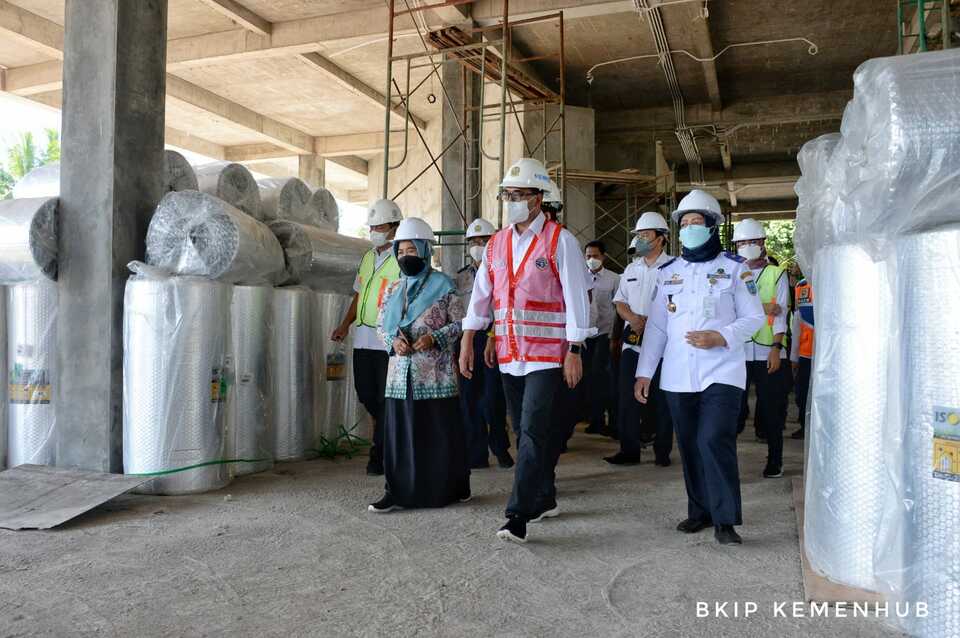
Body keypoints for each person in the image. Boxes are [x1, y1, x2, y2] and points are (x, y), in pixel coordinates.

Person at [460, 158, 594, 544]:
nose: (513, 201)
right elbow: (481, 296)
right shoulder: (497, 243)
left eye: (519, 195)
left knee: (533, 430)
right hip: (509, 354)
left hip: (548, 355)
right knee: (523, 430)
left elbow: (575, 296)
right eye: (508, 195)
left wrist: (575, 348)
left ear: (538, 198)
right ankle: (546, 496)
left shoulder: (559, 240)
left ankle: (517, 514)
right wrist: (470, 338)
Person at [634, 190, 765, 545]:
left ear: (712, 227)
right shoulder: (668, 272)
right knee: (690, 443)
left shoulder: (735, 269)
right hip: (678, 374)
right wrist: (644, 371)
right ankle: (700, 512)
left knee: (713, 439)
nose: (690, 228)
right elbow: (658, 327)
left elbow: (755, 317)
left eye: (697, 222)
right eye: (686, 223)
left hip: (722, 370)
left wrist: (721, 336)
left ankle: (725, 519)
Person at [368, 217, 470, 512]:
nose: (405, 257)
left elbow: (461, 323)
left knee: (435, 433)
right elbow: (381, 326)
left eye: (411, 250)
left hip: (435, 375)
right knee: (400, 435)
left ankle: (442, 490)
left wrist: (435, 338)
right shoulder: (393, 289)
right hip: (400, 376)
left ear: (425, 251)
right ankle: (396, 491)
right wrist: (392, 342)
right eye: (400, 252)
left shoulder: (444, 285)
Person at [332, 199, 402, 475]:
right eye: (371, 227)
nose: (374, 231)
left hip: (387, 340)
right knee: (366, 394)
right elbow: (359, 295)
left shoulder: (402, 256)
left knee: (385, 399)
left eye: (380, 226)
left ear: (394, 227)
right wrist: (344, 324)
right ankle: (383, 442)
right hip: (363, 338)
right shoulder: (368, 257)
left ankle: (380, 453)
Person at [607, 212, 674, 466]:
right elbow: (620, 301)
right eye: (638, 236)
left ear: (661, 238)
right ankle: (629, 450)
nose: (641, 240)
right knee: (627, 397)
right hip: (632, 341)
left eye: (646, 235)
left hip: (663, 345)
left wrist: (655, 321)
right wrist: (633, 318)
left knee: (661, 397)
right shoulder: (631, 269)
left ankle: (662, 451)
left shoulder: (674, 267)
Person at [732, 218, 791, 479]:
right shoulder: (732, 273)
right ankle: (727, 461)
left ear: (763, 243)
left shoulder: (776, 274)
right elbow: (730, 310)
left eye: (752, 241)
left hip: (769, 350)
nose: (747, 246)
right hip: (739, 351)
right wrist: (764, 306)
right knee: (734, 410)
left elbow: (780, 312)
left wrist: (777, 347)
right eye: (742, 242)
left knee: (772, 410)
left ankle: (775, 460)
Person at [456, 217, 514, 469]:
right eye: (473, 241)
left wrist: (492, 336)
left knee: (493, 399)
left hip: (495, 337)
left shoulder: (503, 270)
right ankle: (475, 453)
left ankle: (500, 447)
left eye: (483, 240)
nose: (478, 245)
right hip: (468, 340)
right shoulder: (459, 279)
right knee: (469, 399)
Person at [583, 240, 620, 436]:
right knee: (589, 379)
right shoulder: (580, 278)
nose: (591, 260)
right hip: (585, 336)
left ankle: (613, 422)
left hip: (606, 334)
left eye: (595, 256)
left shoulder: (614, 279)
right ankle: (595, 419)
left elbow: (619, 309)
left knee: (607, 377)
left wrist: (616, 337)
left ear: (603, 256)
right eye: (588, 256)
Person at [790, 275, 814, 439]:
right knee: (802, 392)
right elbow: (797, 322)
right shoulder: (801, 286)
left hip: (827, 353)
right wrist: (794, 356)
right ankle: (805, 426)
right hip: (806, 353)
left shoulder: (834, 278)